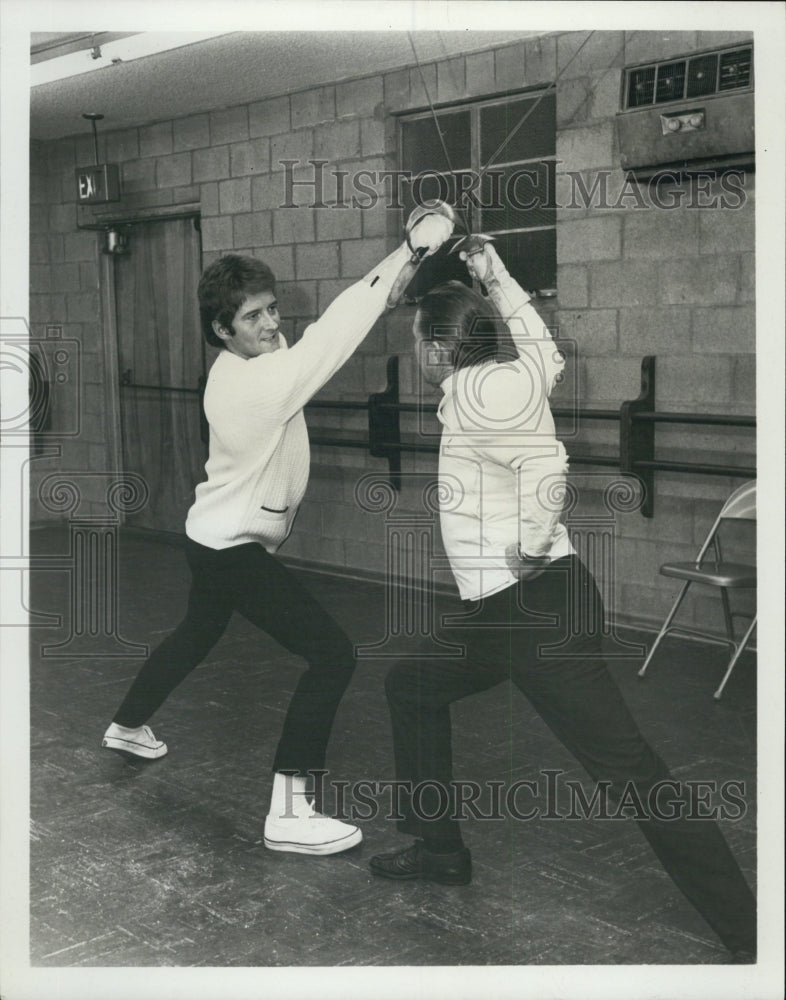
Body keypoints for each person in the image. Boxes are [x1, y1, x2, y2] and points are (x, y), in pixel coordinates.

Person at [368, 241, 756, 960]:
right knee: (410, 687)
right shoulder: (514, 375)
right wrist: (495, 273)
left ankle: (751, 934)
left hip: (534, 610)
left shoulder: (478, 399)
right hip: (503, 615)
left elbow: (550, 465)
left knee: (630, 772)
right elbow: (545, 345)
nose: (417, 354)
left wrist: (530, 539)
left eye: (420, 340)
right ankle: (440, 849)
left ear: (440, 348)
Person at [101, 205, 455, 856]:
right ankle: (289, 811)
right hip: (231, 551)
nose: (270, 324)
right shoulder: (255, 383)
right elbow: (336, 334)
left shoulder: (247, 360)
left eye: (270, 309)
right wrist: (407, 250)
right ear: (221, 330)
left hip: (208, 540)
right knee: (333, 654)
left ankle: (126, 725)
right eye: (252, 317)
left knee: (194, 633)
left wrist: (407, 258)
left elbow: (354, 310)